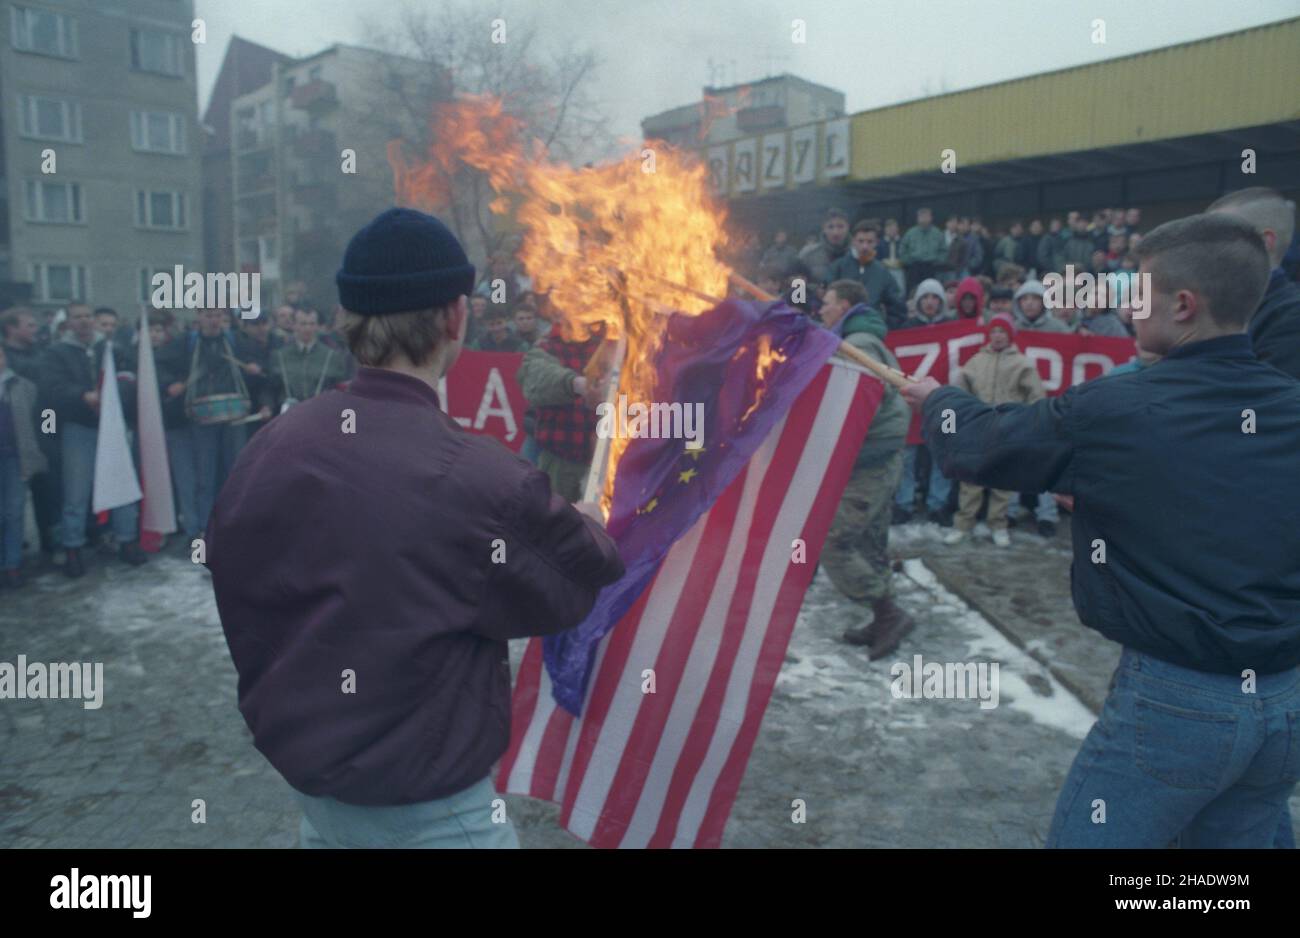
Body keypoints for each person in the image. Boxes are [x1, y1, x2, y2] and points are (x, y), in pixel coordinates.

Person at [207, 207, 625, 849]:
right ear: (456, 317)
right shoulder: (479, 479)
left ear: (347, 319)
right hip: (433, 818)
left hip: (318, 800)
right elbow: (571, 584)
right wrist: (587, 525)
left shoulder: (269, 447)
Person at [902, 213, 1300, 847]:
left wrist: (940, 402)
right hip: (1284, 704)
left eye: (1139, 293)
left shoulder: (1120, 408)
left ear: (1184, 305)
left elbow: (984, 448)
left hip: (1180, 702)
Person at [818, 281, 913, 657]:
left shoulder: (857, 343)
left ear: (843, 304)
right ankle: (882, 617)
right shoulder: (857, 338)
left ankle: (889, 614)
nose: (821, 309)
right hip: (876, 456)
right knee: (870, 540)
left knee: (834, 542)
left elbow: (862, 402)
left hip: (872, 459)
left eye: (826, 303)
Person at [41, 302, 146, 576]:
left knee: (123, 482)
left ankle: (127, 539)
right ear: (69, 323)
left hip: (112, 426)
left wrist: (113, 398)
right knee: (76, 491)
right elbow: (52, 388)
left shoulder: (111, 348)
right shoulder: (55, 353)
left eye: (88, 316)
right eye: (78, 317)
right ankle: (73, 546)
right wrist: (82, 396)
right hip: (79, 428)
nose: (85, 321)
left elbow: (128, 377)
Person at [939, 313, 1042, 548]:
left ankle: (998, 525)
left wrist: (1026, 423)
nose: (997, 336)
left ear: (1010, 335)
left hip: (1008, 430)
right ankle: (963, 525)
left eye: (1002, 332)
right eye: (994, 331)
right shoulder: (976, 361)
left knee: (1003, 481)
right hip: (979, 429)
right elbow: (960, 393)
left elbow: (1036, 397)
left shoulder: (1022, 364)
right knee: (970, 480)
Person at [1207, 186, 1300, 379]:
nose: (1204, 250)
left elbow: (1269, 398)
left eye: (1218, 237)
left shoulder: (1291, 318)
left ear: (1264, 242)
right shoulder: (1223, 306)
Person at [516, 319, 608, 502]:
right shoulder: (550, 344)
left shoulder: (619, 342)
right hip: (561, 462)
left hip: (609, 467)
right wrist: (577, 384)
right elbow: (534, 375)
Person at [894, 279, 953, 525]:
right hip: (912, 403)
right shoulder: (906, 328)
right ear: (918, 301)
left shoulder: (952, 328)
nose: (930, 302)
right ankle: (904, 504)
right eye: (926, 297)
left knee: (942, 456)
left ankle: (937, 505)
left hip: (941, 401)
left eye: (935, 298)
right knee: (907, 456)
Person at [0, 344, 47, 587]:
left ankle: (12, 564)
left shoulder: (23, 386)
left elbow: (45, 416)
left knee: (14, 511)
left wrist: (46, 440)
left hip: (15, 458)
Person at [825, 221, 906, 328]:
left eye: (869, 242)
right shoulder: (838, 267)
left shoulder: (882, 272)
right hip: (840, 332)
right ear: (853, 241)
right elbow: (825, 300)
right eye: (861, 241)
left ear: (876, 242)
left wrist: (883, 327)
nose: (865, 246)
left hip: (870, 331)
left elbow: (897, 308)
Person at [269, 307, 349, 411]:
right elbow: (270, 388)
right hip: (288, 417)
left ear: (317, 326)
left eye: (312, 324)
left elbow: (342, 388)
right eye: (303, 324)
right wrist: (267, 405)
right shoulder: (279, 356)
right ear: (294, 325)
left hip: (322, 414)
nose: (308, 328)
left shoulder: (332, 356)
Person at [899, 207, 946, 295]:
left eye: (926, 216)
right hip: (914, 267)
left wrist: (938, 261)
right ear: (918, 218)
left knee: (931, 291)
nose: (924, 219)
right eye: (921, 217)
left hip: (931, 267)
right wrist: (908, 261)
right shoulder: (910, 233)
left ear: (931, 218)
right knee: (912, 292)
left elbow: (943, 250)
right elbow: (902, 249)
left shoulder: (937, 233)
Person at [797, 208, 851, 285]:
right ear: (824, 229)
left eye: (840, 226)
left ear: (848, 228)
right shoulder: (808, 256)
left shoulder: (858, 255)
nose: (835, 232)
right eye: (830, 227)